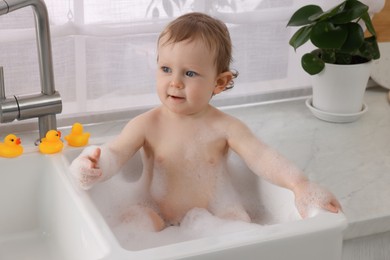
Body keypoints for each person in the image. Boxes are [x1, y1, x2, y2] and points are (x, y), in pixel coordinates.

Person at [70, 12, 341, 232]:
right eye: (166, 69)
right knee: (131, 219)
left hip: (215, 215)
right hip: (155, 213)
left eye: (189, 73)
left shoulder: (225, 127)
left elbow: (261, 156)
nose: (174, 82)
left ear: (219, 82)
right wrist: (95, 165)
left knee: (239, 223)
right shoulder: (147, 124)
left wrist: (300, 185)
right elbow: (117, 152)